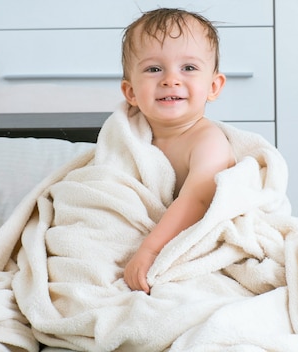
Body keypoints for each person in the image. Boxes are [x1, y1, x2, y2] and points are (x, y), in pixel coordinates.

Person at [120, 8, 236, 294]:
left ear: (213, 86)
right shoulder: (128, 137)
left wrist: (148, 252)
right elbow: (109, 182)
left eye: (188, 68)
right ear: (131, 92)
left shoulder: (207, 141)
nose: (170, 79)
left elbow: (198, 198)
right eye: (153, 69)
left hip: (177, 238)